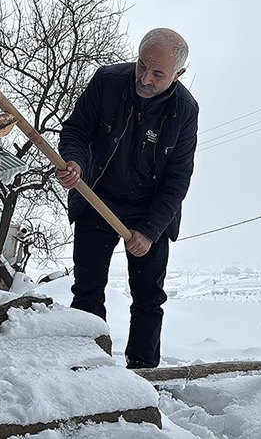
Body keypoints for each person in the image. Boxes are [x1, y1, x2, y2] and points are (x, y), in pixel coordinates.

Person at [56, 28, 199, 369]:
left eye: (158, 73)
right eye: (141, 66)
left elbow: (178, 179)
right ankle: (87, 365)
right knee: (88, 289)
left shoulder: (185, 111)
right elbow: (76, 129)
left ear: (178, 74)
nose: (145, 78)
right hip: (97, 197)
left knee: (149, 298)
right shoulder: (108, 82)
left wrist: (150, 231)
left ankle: (143, 372)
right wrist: (74, 160)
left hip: (151, 212)